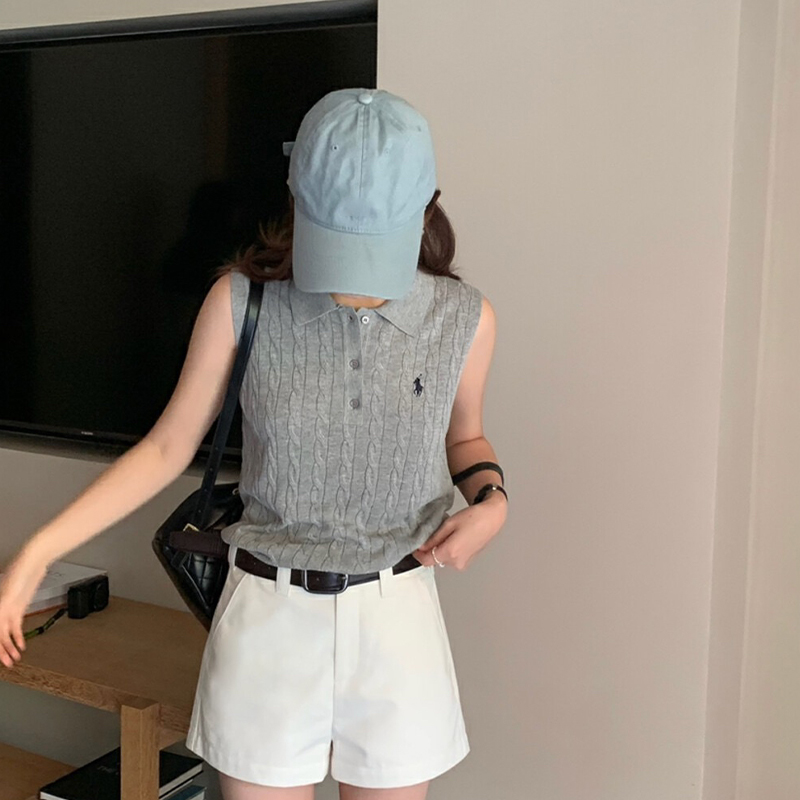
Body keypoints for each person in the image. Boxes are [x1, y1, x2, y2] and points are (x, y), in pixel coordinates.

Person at [0, 88, 507, 800]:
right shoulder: (242, 302)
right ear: (296, 194)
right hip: (270, 617)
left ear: (427, 204)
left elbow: (466, 436)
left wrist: (492, 502)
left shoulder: (464, 318)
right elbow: (167, 447)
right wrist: (37, 552)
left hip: (399, 618)